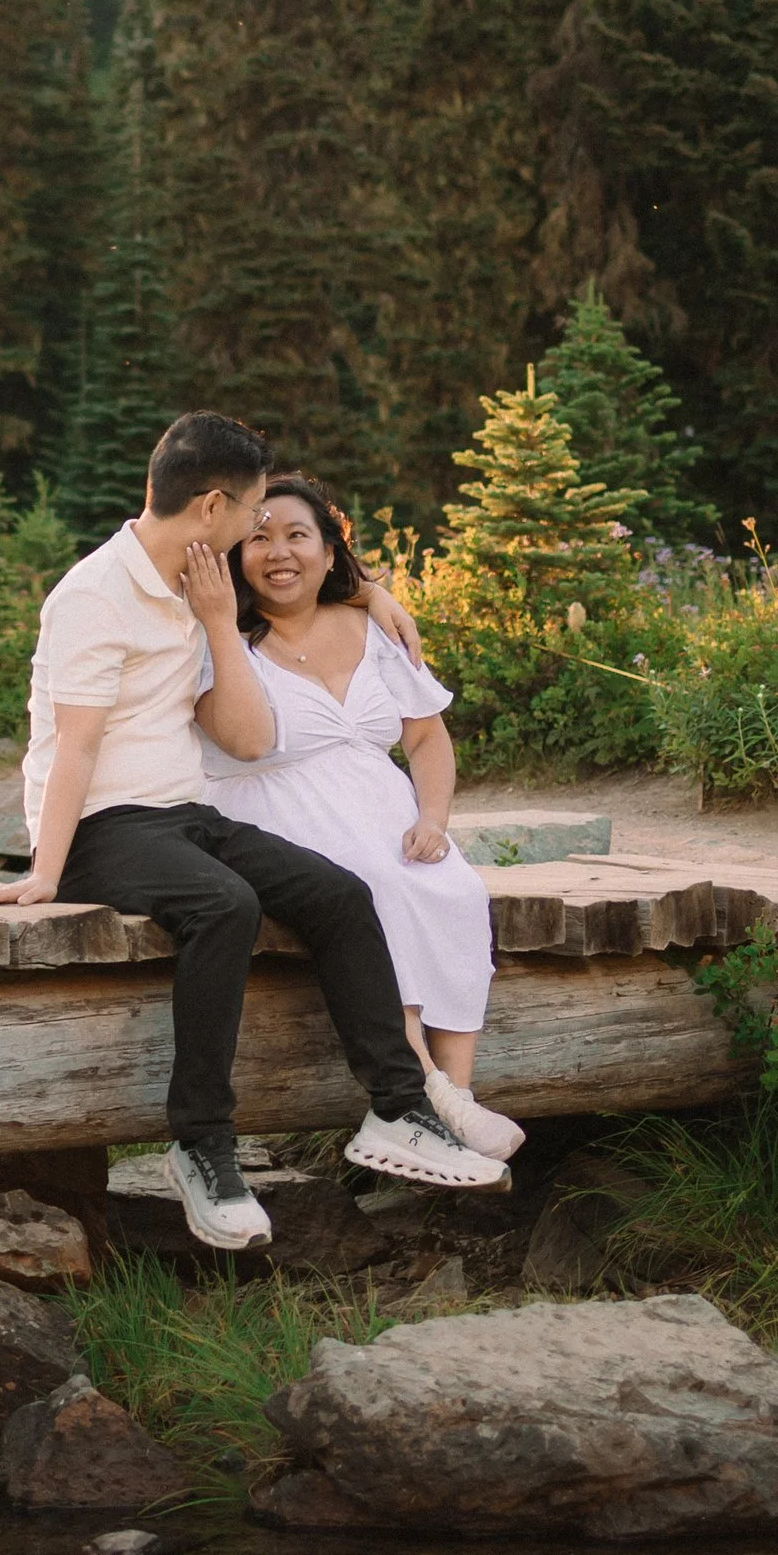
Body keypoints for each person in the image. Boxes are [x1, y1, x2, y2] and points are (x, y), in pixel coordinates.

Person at [0, 410, 508, 1249]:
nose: (262, 527)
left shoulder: (197, 574)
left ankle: (400, 1110)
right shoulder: (92, 597)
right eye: (253, 508)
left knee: (337, 891)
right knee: (225, 906)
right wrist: (47, 870)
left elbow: (300, 582)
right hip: (104, 826)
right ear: (213, 505)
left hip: (186, 815)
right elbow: (73, 745)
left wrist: (374, 592)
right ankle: (202, 1146)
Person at [195, 472, 523, 1181]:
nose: (278, 552)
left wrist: (433, 817)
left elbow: (428, 740)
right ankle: (426, 1093)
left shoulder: (372, 626)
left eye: (296, 535)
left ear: (328, 546)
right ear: (234, 553)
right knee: (372, 887)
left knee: (456, 890)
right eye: (258, 537)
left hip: (382, 803)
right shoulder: (221, 636)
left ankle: (453, 1097)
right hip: (272, 809)